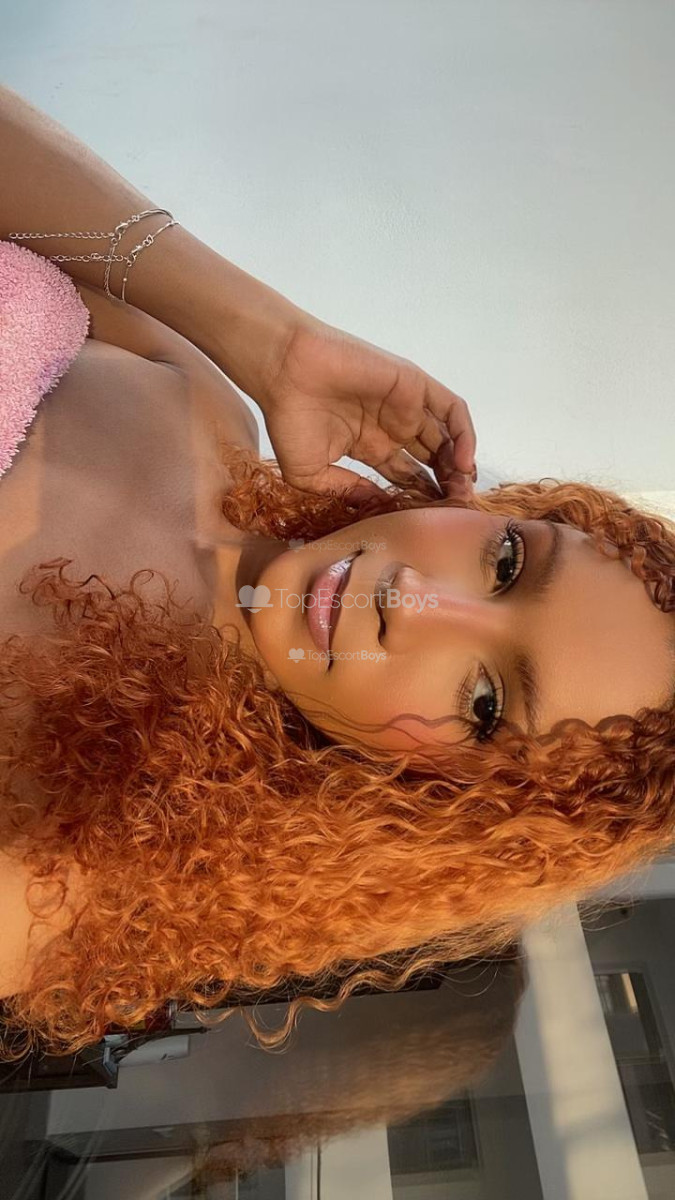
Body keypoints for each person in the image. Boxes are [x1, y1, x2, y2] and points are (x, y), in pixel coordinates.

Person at [0, 86, 673, 1061]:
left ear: (438, 801)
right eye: (505, 561)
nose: (418, 602)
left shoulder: (76, 847)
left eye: (485, 701)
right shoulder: (208, 409)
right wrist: (271, 337)